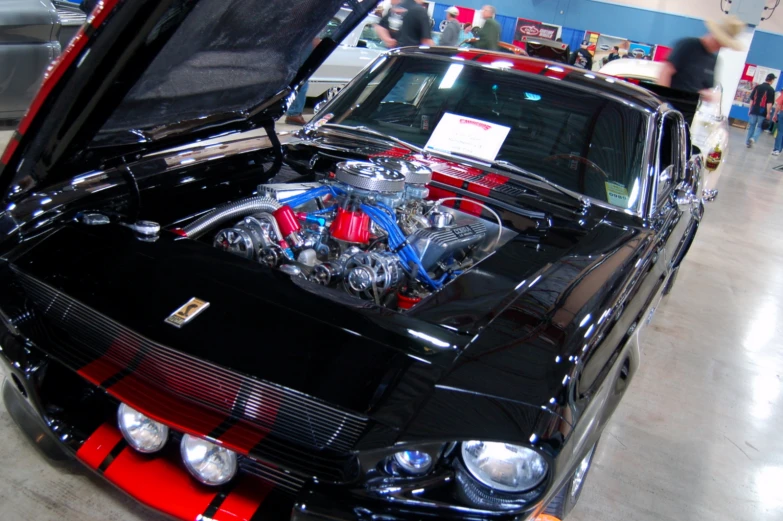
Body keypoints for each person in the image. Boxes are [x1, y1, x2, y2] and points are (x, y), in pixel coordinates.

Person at [659, 16, 745, 97]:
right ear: (712, 34)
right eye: (718, 41)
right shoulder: (688, 45)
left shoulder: (713, 60)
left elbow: (704, 89)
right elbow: (665, 72)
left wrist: (709, 95)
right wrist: (664, 98)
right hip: (671, 103)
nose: (720, 45)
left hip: (689, 107)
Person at [745, 73, 776, 148]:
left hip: (754, 109)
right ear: (771, 80)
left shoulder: (757, 87)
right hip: (762, 111)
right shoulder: (771, 90)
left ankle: (747, 142)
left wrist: (750, 109)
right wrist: (768, 113)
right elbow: (769, 103)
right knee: (760, 127)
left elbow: (752, 99)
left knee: (751, 126)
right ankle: (753, 138)